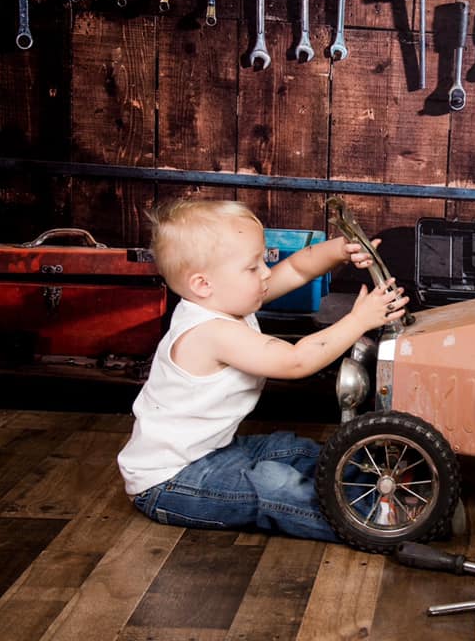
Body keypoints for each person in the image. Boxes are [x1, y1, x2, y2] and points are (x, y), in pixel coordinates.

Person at [117, 198, 409, 542]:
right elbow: (295, 361)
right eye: (252, 267)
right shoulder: (209, 332)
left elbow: (298, 268)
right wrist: (358, 320)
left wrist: (340, 250)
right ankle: (375, 521)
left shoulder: (226, 300)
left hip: (212, 451)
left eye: (264, 260)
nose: (267, 273)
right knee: (273, 485)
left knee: (292, 450)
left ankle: (378, 487)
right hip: (171, 482)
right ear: (202, 284)